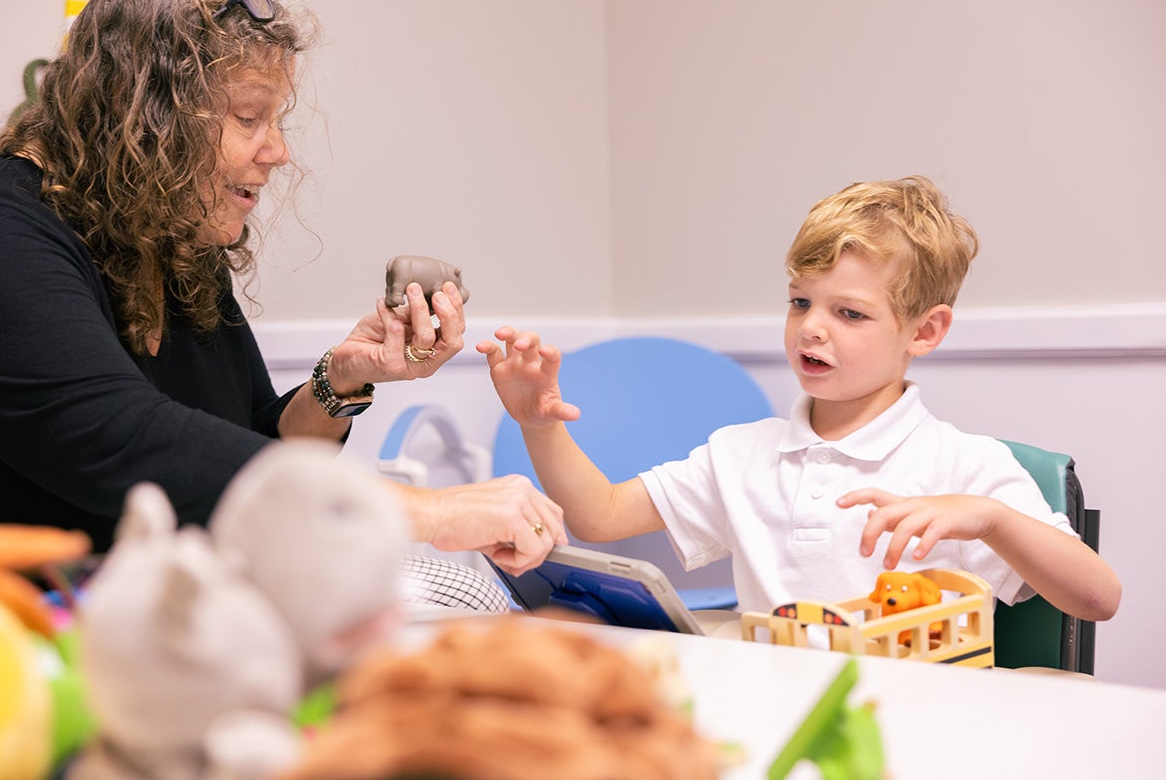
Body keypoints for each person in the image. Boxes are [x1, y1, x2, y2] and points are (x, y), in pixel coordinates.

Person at [0, 0, 566, 574]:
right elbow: (120, 439)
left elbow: (252, 451)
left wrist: (340, 379)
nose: (277, 150)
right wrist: (431, 513)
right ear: (144, 117)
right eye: (249, 117)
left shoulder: (169, 235)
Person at [478, 176, 1121, 622]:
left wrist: (991, 519)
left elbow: (1098, 598)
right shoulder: (742, 454)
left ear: (924, 331)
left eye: (849, 313)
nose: (812, 326)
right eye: (800, 302)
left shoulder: (968, 469)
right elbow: (604, 515)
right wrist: (539, 424)